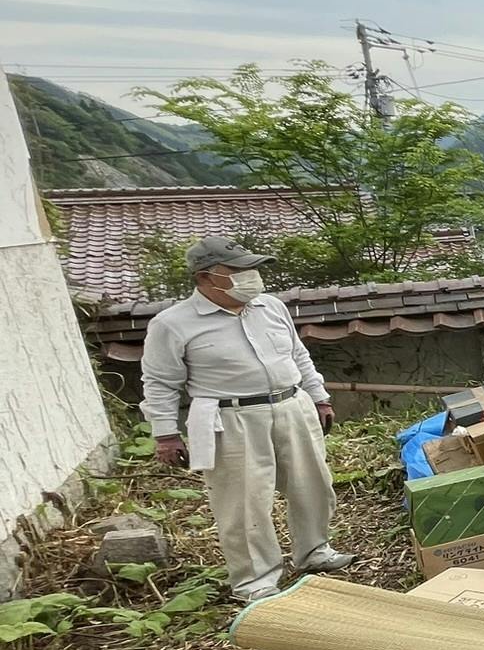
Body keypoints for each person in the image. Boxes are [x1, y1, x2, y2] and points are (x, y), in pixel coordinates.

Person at [141, 235, 353, 601]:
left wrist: (319, 398)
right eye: (238, 270)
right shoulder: (172, 324)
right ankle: (255, 579)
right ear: (205, 277)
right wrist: (166, 434)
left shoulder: (270, 307)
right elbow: (160, 382)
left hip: (291, 404)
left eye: (252, 268)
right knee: (243, 502)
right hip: (231, 418)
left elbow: (298, 355)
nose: (251, 276)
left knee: (312, 484)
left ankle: (314, 550)